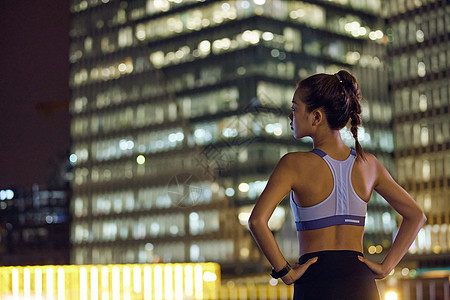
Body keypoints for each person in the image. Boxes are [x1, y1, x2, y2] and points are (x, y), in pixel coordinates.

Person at [248, 70, 426, 299]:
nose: (290, 117)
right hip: (361, 283)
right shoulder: (368, 164)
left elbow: (257, 221)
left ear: (316, 117)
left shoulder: (293, 164)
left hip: (315, 284)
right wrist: (386, 267)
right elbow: (416, 215)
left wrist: (285, 272)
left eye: (294, 109)